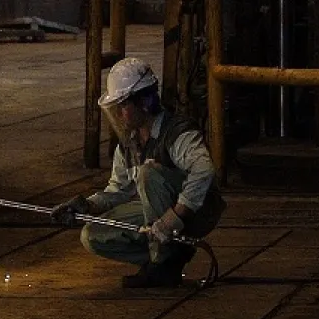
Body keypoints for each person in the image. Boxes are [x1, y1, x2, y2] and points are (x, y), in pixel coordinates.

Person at [51, 57, 225, 287]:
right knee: (93, 235)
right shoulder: (129, 144)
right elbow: (117, 191)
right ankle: (167, 258)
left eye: (123, 105)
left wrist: (173, 218)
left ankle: (163, 263)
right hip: (163, 213)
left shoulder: (176, 132)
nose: (120, 114)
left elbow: (204, 172)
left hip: (198, 211)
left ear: (145, 102)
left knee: (148, 173)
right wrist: (85, 206)